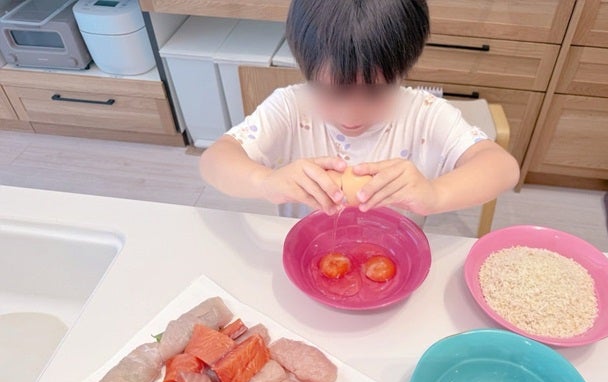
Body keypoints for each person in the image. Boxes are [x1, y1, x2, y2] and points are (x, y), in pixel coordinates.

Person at [200, 0, 519, 222]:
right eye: (332, 91)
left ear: (403, 70)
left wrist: (435, 194)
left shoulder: (424, 114)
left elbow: (503, 168)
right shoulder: (290, 108)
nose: (350, 114)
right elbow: (215, 160)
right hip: (308, 254)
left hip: (391, 256)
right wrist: (265, 182)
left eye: (375, 92)